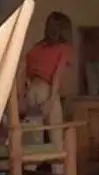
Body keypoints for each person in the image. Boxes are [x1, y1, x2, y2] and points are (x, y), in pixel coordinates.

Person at [19, 11, 73, 148]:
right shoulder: (63, 49)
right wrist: (51, 100)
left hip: (32, 91)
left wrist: (23, 95)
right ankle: (58, 169)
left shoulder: (36, 48)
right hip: (47, 90)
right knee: (56, 140)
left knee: (33, 144)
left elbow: (25, 71)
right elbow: (56, 76)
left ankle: (29, 170)